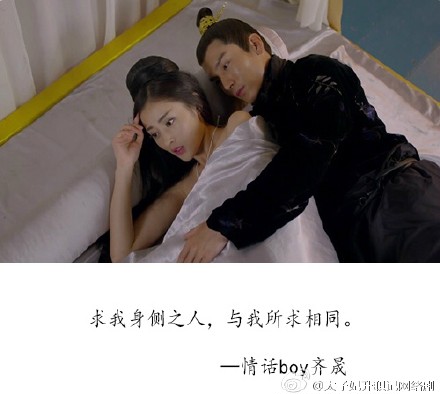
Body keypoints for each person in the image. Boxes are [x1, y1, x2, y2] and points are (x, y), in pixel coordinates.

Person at [176, 7, 440, 263]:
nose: (226, 83)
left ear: (255, 44)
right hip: (359, 231)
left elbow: (305, 161)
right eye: (217, 80)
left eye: (226, 65)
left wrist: (225, 224)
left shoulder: (316, 74)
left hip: (396, 196)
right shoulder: (264, 117)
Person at [109, 56, 251, 262]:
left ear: (194, 102)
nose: (167, 140)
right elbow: (122, 256)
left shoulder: (236, 126)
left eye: (169, 122)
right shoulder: (187, 187)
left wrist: (222, 228)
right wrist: (124, 166)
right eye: (155, 134)